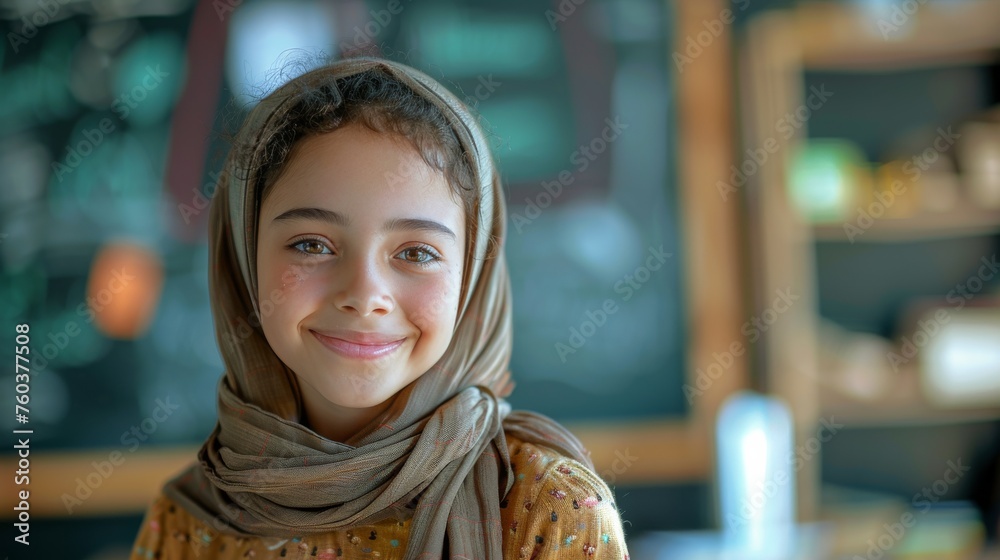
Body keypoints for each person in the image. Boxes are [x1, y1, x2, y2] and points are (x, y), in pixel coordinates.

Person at [129, 57, 630, 560]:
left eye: (416, 253)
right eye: (311, 244)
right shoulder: (190, 521)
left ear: (472, 277)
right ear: (241, 258)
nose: (365, 295)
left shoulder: (547, 511)